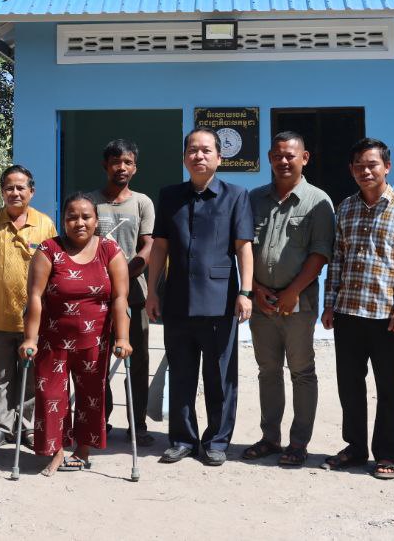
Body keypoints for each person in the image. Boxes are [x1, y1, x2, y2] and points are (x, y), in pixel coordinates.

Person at [145, 128, 255, 466]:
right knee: (181, 372)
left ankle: (217, 440)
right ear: (184, 157)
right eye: (193, 150)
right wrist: (152, 292)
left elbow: (243, 247)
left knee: (220, 375)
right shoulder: (170, 195)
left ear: (219, 158)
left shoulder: (236, 196)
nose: (199, 156)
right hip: (177, 299)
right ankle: (182, 439)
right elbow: (160, 246)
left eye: (206, 150)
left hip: (220, 300)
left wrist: (245, 291)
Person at [320, 137, 394, 481]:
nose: (366, 171)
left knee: (387, 388)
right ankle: (354, 448)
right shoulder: (346, 208)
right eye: (359, 166)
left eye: (372, 165)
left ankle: (386, 454)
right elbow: (337, 260)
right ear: (351, 170)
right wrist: (330, 303)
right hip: (349, 313)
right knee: (349, 386)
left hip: (387, 317)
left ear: (387, 167)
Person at [20, 193, 132, 476]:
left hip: (94, 340)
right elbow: (35, 296)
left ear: (96, 220)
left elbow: (120, 298)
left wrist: (122, 338)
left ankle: (82, 450)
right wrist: (30, 338)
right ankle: (56, 450)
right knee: (50, 395)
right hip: (52, 338)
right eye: (72, 217)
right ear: (63, 220)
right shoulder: (48, 250)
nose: (79, 222)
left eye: (86, 217)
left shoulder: (110, 250)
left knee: (91, 395)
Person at [243, 131, 335, 468]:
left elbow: (320, 253)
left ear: (304, 158)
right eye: (278, 155)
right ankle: (270, 438)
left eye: (291, 156)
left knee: (301, 371)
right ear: (269, 158)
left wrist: (292, 291)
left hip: (299, 305)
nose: (284, 161)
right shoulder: (253, 199)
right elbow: (242, 248)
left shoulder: (318, 201)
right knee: (267, 371)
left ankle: (298, 443)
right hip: (261, 301)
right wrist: (254, 287)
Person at [0, 164, 58, 452]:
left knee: (32, 379)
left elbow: (56, 268)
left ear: (31, 191)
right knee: (0, 378)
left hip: (36, 321)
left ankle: (28, 428)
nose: (15, 192)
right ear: (2, 192)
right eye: (9, 187)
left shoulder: (45, 225)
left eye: (21, 187)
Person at [86, 138, 156, 447]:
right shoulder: (90, 202)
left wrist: (127, 272)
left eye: (127, 162)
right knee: (97, 360)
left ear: (135, 167)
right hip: (96, 296)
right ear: (106, 166)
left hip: (134, 295)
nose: (122, 167)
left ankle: (137, 424)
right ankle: (101, 419)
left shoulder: (142, 202)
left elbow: (149, 244)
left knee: (137, 362)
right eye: (116, 162)